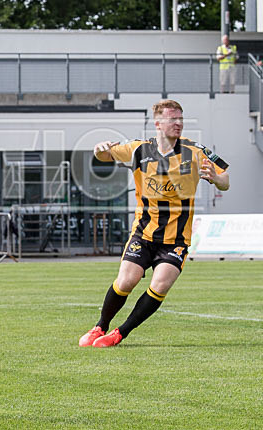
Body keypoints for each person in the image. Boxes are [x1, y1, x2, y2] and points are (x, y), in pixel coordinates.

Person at [79, 99, 230, 348]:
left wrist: (216, 178)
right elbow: (103, 155)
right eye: (173, 119)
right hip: (144, 233)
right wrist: (99, 148)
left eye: (181, 118)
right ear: (158, 123)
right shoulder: (138, 149)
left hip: (176, 239)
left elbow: (225, 179)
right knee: (126, 281)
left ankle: (119, 334)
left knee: (160, 285)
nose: (178, 123)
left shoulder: (195, 151)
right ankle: (100, 326)